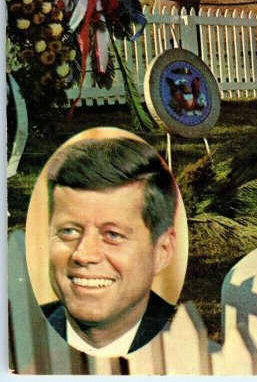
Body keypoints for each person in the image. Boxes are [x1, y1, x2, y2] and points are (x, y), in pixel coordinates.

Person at [41, 137, 178, 356]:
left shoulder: (190, 352)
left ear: (162, 251)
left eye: (113, 235)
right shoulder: (15, 340)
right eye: (68, 231)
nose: (84, 255)